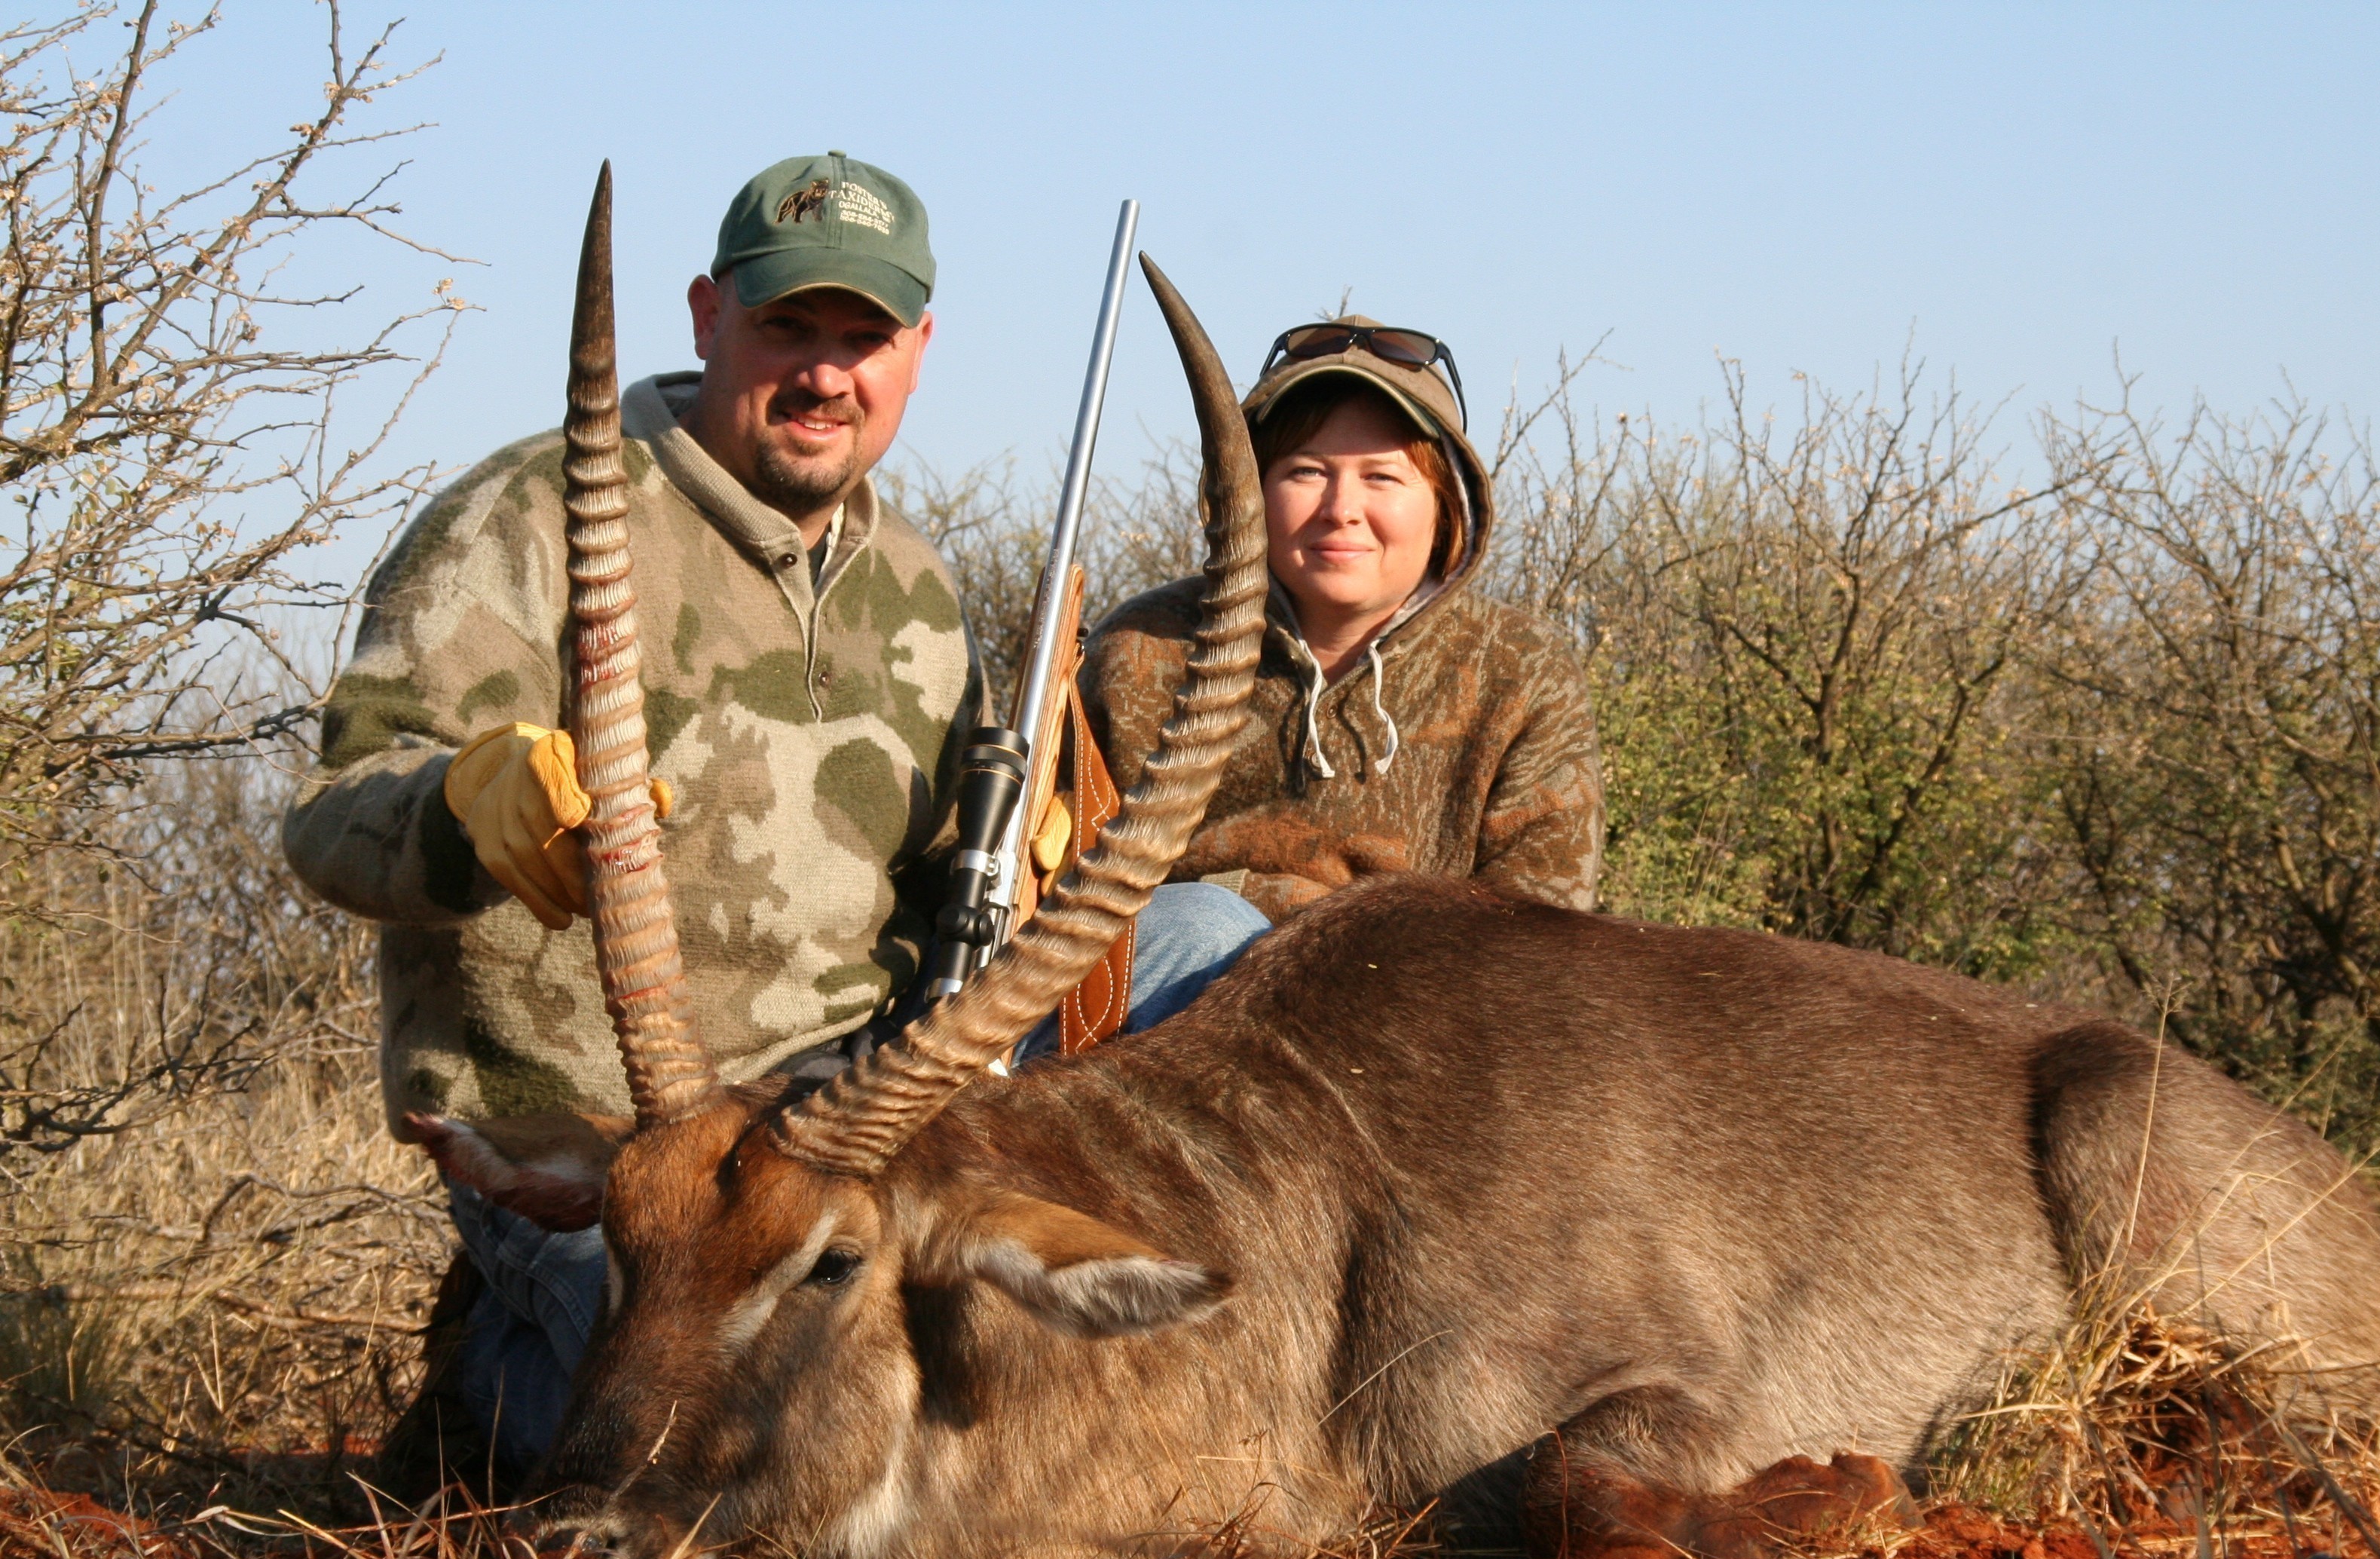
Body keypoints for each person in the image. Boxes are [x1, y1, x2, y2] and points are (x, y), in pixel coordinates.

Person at [283, 154, 1264, 1487]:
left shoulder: (911, 583)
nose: (823, 373)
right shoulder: (527, 518)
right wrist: (462, 804)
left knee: (1209, 928)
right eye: (785, 327)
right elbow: (329, 820)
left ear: (918, 351)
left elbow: (934, 889)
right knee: (687, 1442)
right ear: (705, 315)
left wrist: (1034, 879)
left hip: (842, 1115)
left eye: (863, 338)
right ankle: (502, 1367)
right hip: (620, 1144)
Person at [1081, 317, 1602, 923]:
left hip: (1415, 1001)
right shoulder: (1140, 646)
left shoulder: (1522, 668)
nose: (1341, 511)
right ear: (1246, 493)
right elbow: (1066, 876)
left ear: (1446, 505)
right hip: (1179, 995)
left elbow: (1537, 930)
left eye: (1381, 477)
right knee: (1201, 925)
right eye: (1306, 472)